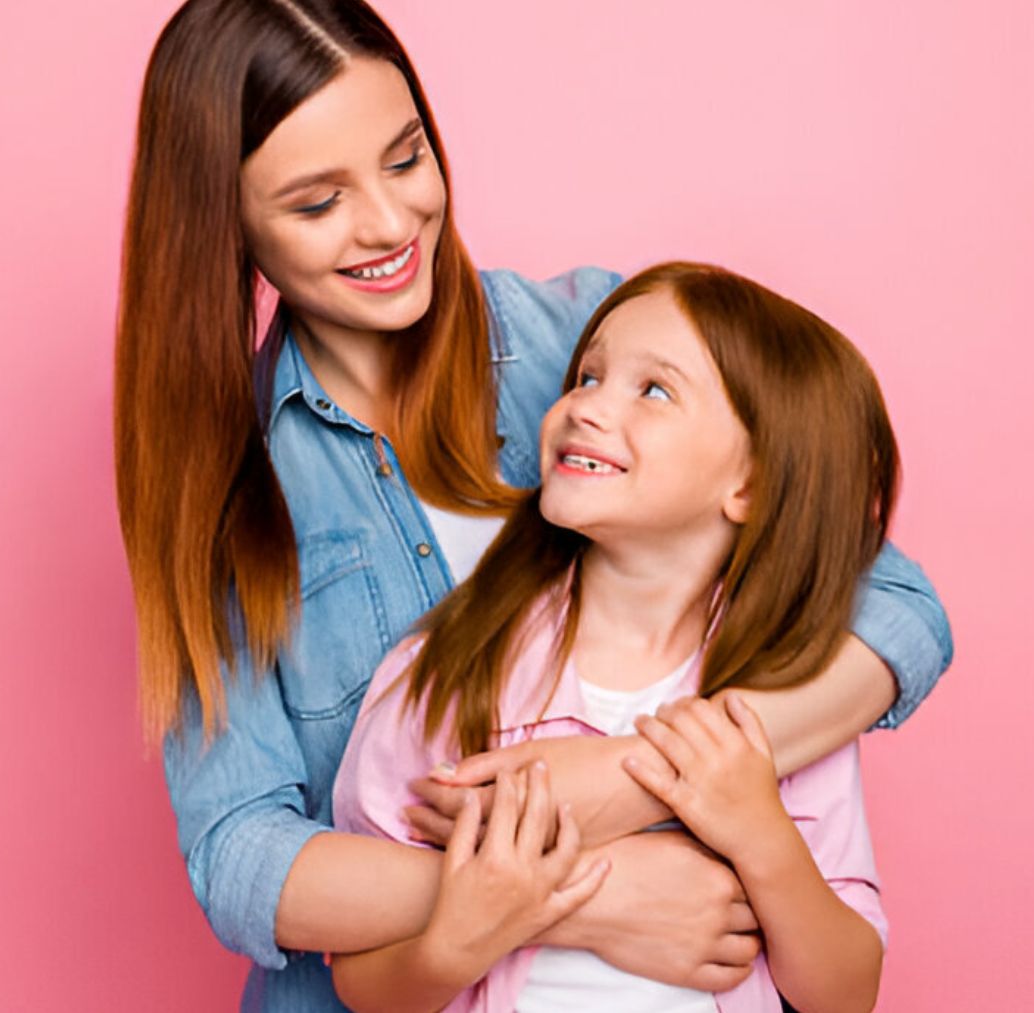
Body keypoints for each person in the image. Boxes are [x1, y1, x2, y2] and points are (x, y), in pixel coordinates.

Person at [113, 2, 952, 1009]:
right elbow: (244, 859)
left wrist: (640, 775)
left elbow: (893, 600)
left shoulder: (592, 344)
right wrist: (567, 890)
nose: (388, 223)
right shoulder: (226, 488)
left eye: (405, 156)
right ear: (229, 222)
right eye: (316, 201)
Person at [332, 262, 892, 1013]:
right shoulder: (444, 672)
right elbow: (360, 980)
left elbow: (846, 992)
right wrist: (461, 937)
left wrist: (761, 832)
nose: (584, 406)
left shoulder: (782, 699)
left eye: (652, 389)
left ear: (751, 485)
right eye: (588, 374)